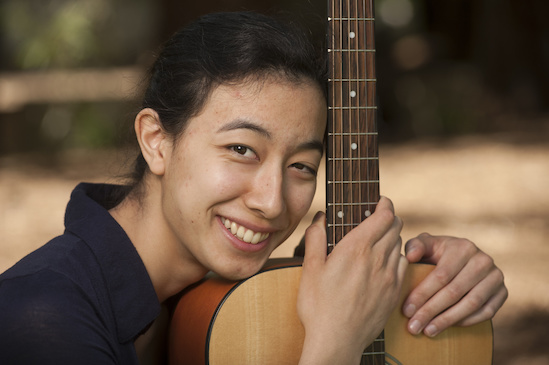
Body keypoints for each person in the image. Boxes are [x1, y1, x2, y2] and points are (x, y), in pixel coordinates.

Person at [0, 11, 507, 365]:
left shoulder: (228, 300)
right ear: (157, 141)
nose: (271, 202)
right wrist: (335, 344)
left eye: (303, 166)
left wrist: (437, 285)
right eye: (242, 150)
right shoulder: (43, 318)